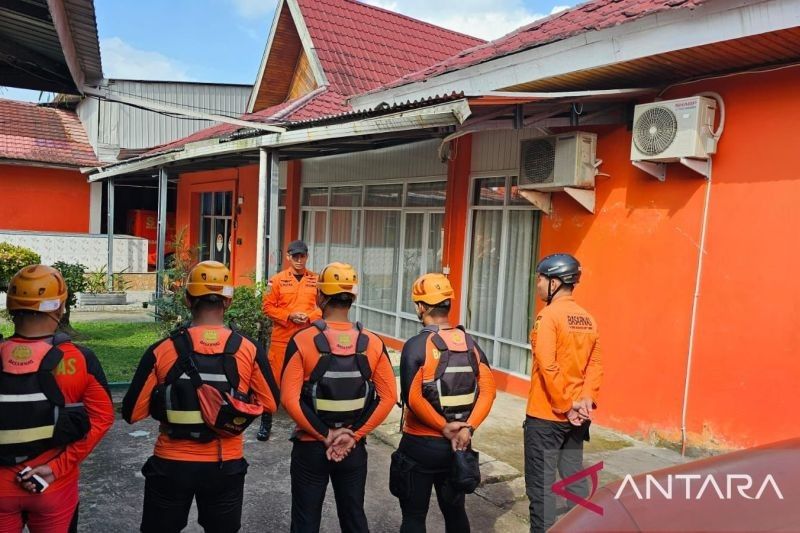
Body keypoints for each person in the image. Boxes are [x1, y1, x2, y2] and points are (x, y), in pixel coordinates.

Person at [122, 260, 279, 533]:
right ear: (228, 302)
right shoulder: (248, 349)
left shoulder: (163, 349)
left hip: (171, 463)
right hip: (224, 464)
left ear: (187, 299)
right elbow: (270, 403)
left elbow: (132, 413)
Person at [280, 262, 397, 533]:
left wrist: (323, 435)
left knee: (305, 521)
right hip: (353, 448)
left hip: (310, 447)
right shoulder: (373, 342)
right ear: (352, 298)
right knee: (354, 517)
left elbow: (289, 398)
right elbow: (389, 397)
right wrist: (353, 435)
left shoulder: (303, 340)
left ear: (320, 296)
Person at [0, 265, 114, 532]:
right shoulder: (80, 359)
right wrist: (55, 467)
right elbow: (103, 418)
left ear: (11, 307)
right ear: (59, 308)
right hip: (53, 486)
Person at [393, 273, 496, 533]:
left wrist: (442, 426)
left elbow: (412, 398)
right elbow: (489, 391)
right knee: (455, 513)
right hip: (458, 447)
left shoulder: (417, 346)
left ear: (422, 307)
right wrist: (467, 428)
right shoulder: (471, 345)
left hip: (420, 445)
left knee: (414, 517)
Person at [524, 253, 602, 533]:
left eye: (541, 279)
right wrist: (585, 402)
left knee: (541, 489)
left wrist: (567, 405)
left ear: (555, 282)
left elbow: (548, 365)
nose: (539, 285)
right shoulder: (588, 319)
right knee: (574, 479)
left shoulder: (548, 317)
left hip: (546, 416)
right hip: (576, 419)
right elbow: (595, 365)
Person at [258, 240, 321, 441]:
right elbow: (267, 307)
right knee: (272, 383)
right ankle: (266, 423)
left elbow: (324, 306)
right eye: (295, 256)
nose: (299, 260)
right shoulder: (276, 281)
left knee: (306, 382)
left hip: (307, 339)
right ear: (288, 257)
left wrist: (311, 317)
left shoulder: (316, 280)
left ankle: (303, 424)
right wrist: (289, 316)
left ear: (307, 256)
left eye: (302, 256)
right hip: (281, 340)